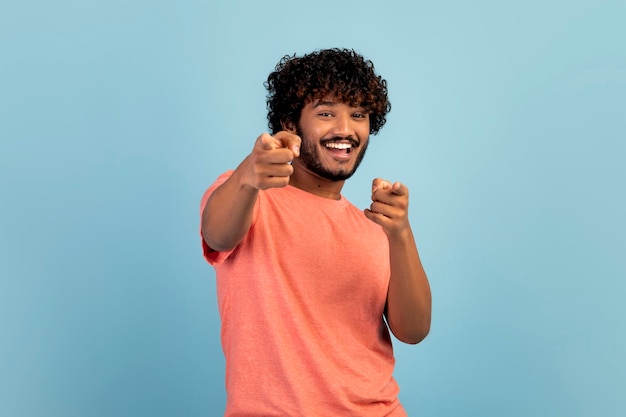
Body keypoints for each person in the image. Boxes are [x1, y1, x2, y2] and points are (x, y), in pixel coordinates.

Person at [200, 48, 431, 416]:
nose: (345, 129)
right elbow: (217, 235)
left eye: (359, 115)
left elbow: (414, 330)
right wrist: (249, 174)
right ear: (291, 123)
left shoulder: (375, 228)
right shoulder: (246, 195)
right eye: (326, 113)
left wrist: (401, 234)